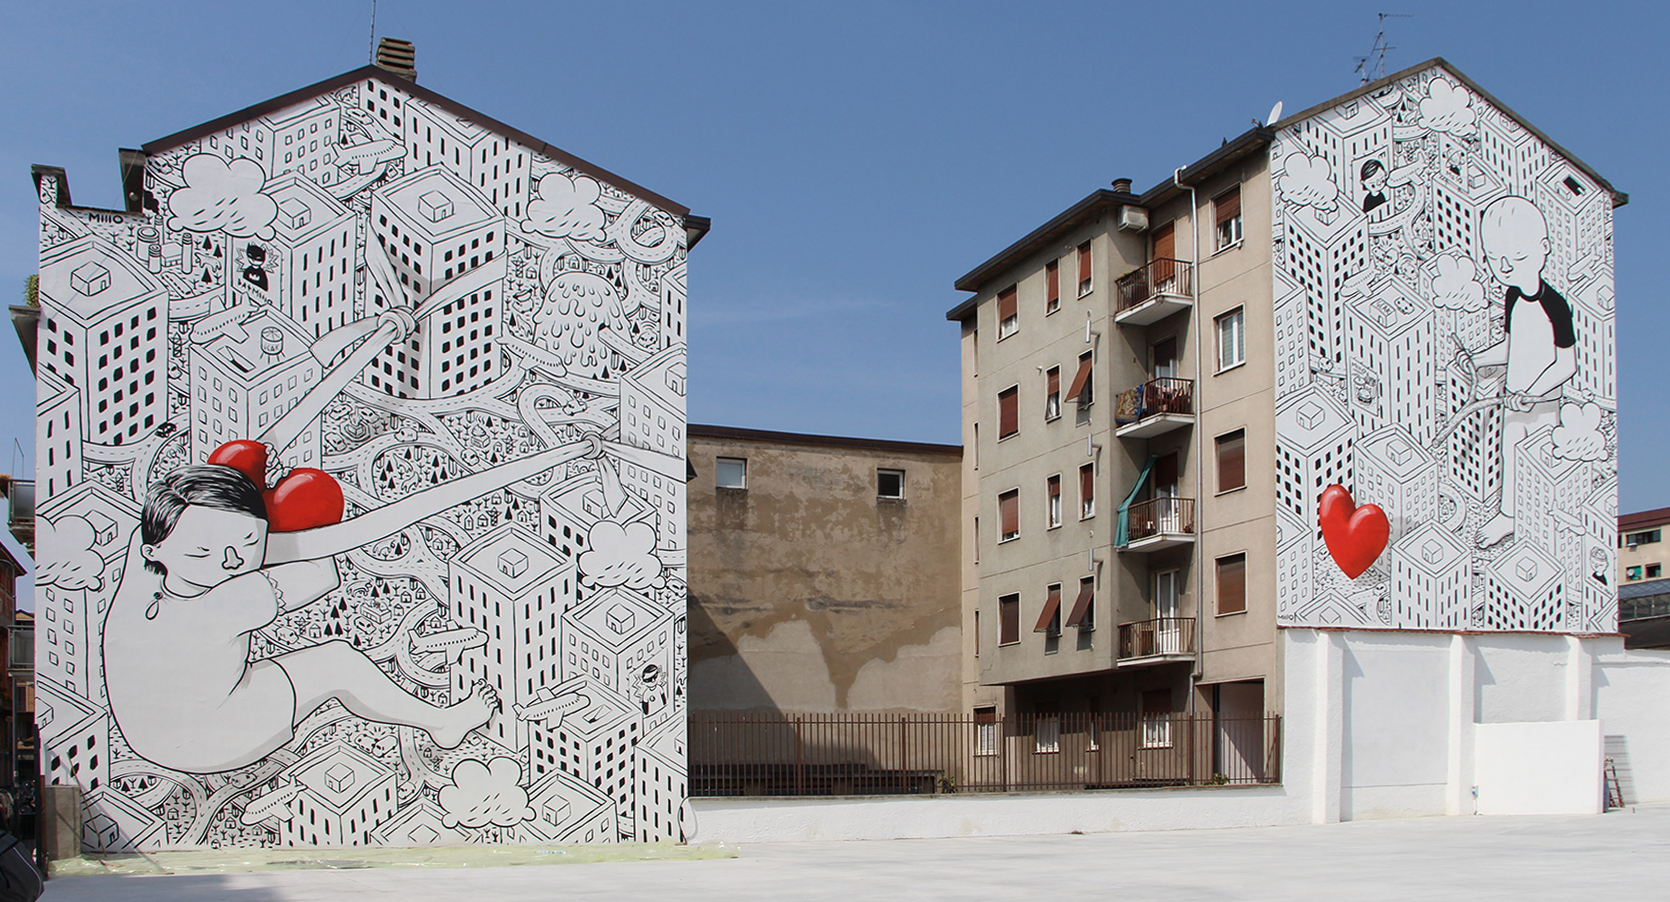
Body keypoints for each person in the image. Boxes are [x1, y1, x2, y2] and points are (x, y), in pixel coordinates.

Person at [103, 434, 601, 774]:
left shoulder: (142, 561)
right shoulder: (233, 599)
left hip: (146, 730)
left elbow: (206, 531)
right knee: (337, 661)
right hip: (210, 739)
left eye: (245, 543)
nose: (230, 561)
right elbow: (322, 574)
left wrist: (240, 531)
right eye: (203, 552)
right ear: (157, 550)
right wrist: (279, 535)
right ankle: (442, 723)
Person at [1466, 196, 1575, 547]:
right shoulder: (1512, 297)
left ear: (1543, 248)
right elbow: (1511, 347)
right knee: (1509, 457)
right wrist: (1477, 359)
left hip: (1543, 406)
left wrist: (1534, 393)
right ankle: (1508, 517)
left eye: (1517, 256)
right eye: (1495, 258)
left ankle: (1542, 523)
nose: (1506, 267)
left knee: (1540, 464)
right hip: (1514, 401)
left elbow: (1567, 364)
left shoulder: (1556, 306)